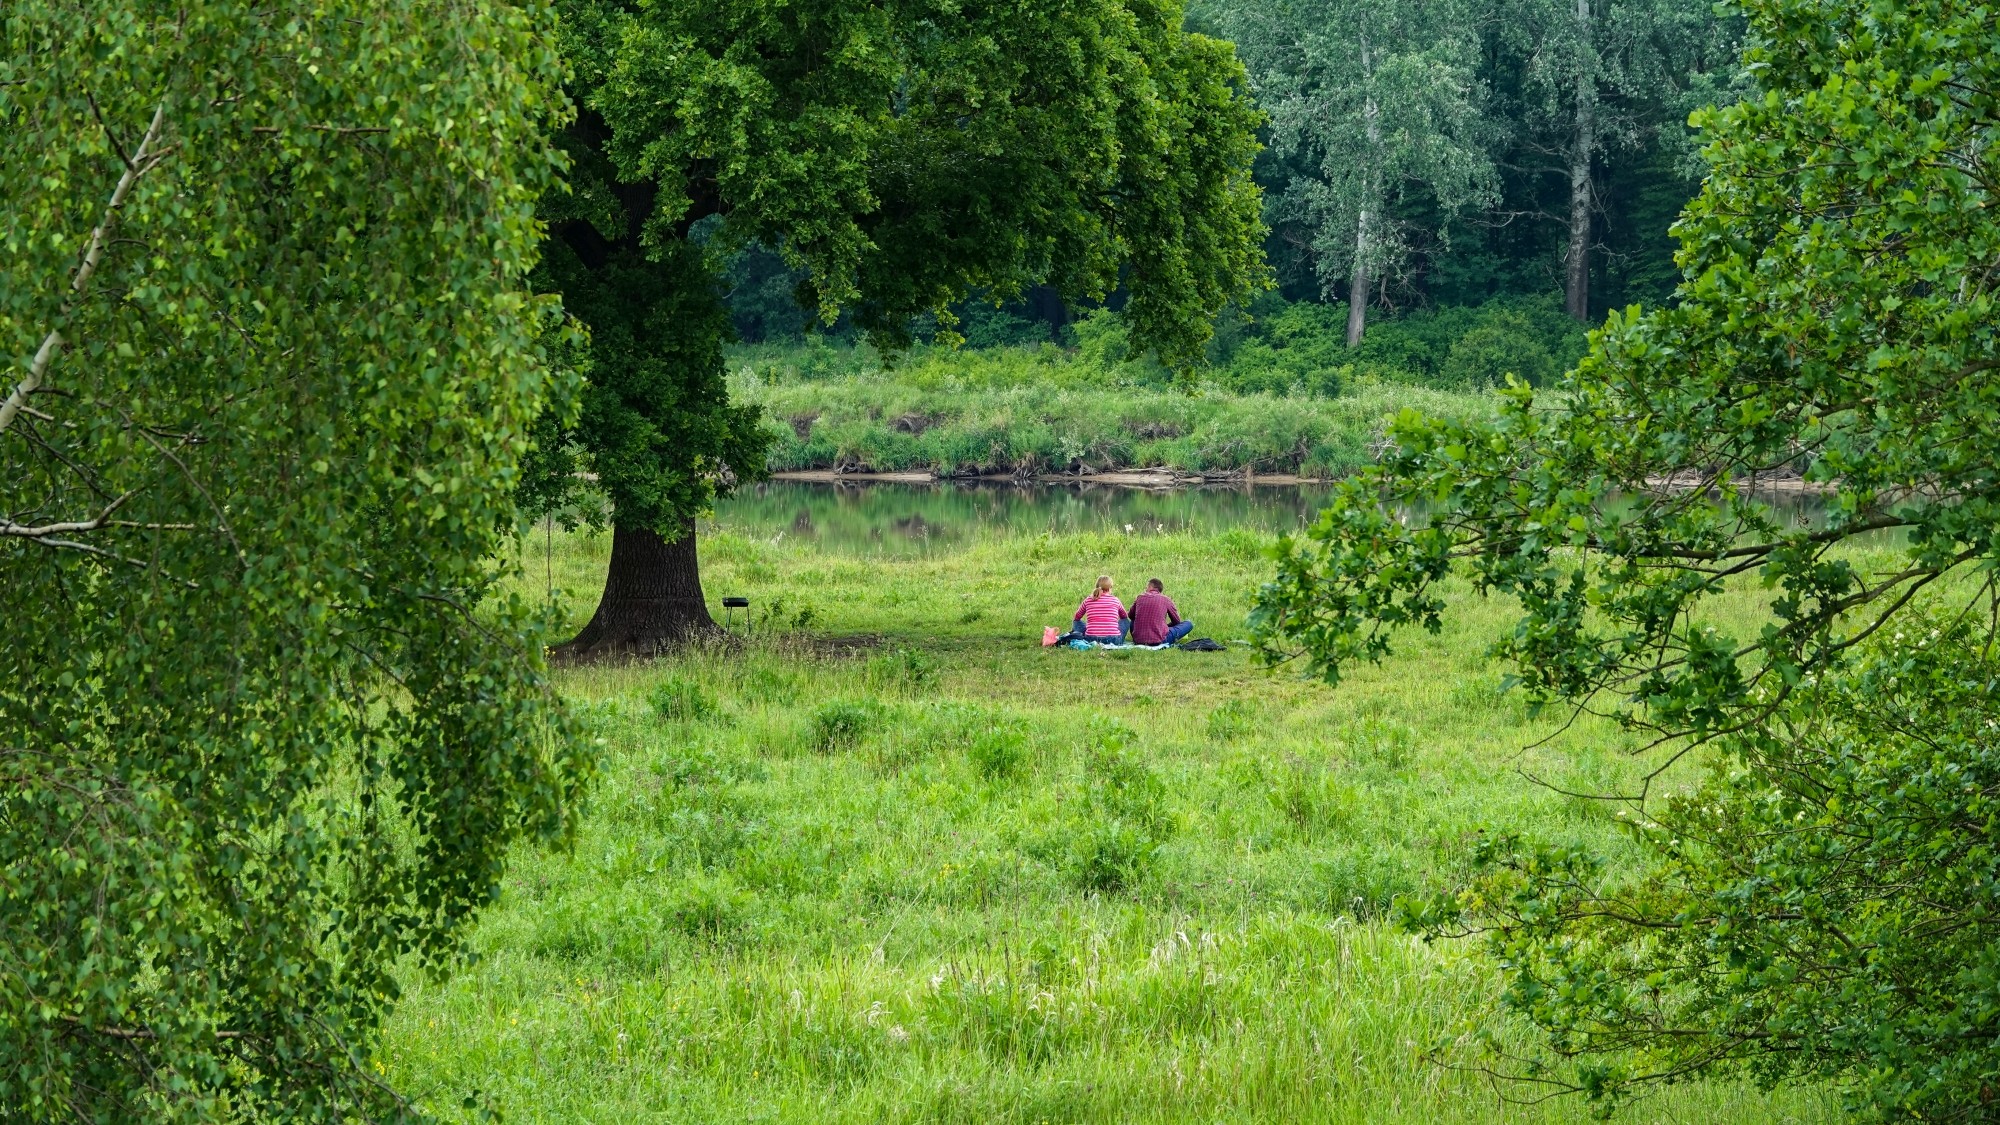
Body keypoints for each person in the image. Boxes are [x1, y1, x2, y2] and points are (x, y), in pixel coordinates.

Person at [1130, 577, 1192, 646]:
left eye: (1146, 588)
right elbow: (1177, 621)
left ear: (1150, 587)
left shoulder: (1140, 597)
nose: (1145, 590)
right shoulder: (1166, 599)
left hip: (1138, 640)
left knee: (1133, 620)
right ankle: (1161, 631)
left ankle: (1141, 636)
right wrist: (1165, 627)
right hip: (1160, 640)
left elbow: (1130, 616)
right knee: (1189, 623)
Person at [1069, 574, 1130, 643]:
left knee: (1076, 622)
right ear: (1110, 588)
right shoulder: (1115, 600)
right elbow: (1124, 616)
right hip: (1113, 640)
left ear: (1096, 587)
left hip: (1091, 639)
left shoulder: (1088, 600)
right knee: (1125, 621)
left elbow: (1077, 617)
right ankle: (1116, 637)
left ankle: (1088, 633)